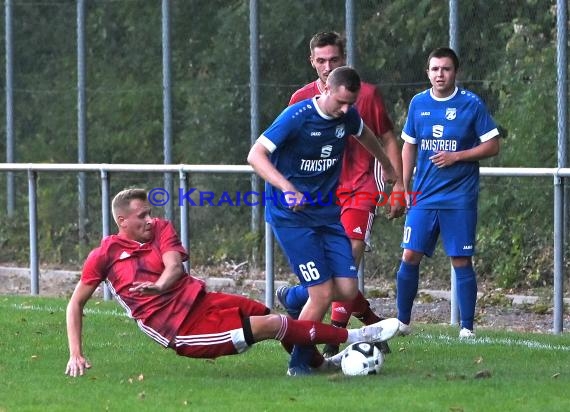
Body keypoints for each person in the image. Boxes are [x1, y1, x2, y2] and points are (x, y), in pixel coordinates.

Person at [64, 188, 399, 378]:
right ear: (122, 221)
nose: (150, 219)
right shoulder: (104, 255)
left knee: (267, 315)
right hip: (178, 328)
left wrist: (162, 285)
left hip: (202, 300)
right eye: (142, 216)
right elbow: (76, 303)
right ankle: (359, 335)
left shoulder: (161, 228)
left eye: (150, 212)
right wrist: (76, 354)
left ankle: (319, 366)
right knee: (275, 323)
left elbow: (173, 267)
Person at [247, 66, 399, 375]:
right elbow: (255, 155)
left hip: (326, 213)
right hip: (291, 216)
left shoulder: (348, 117)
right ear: (326, 90)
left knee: (345, 288)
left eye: (350, 104)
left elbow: (365, 134)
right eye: (340, 102)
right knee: (322, 294)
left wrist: (386, 165)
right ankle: (299, 365)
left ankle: (293, 296)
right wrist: (288, 188)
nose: (345, 109)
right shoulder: (297, 116)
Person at [284, 31, 405, 358]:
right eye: (320, 60)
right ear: (312, 61)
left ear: (344, 59)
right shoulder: (300, 100)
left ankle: (335, 339)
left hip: (360, 188)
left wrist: (399, 185)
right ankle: (365, 318)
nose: (327, 66)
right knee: (334, 277)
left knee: (347, 260)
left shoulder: (365, 95)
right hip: (321, 197)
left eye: (333, 60)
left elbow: (387, 137)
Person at [396, 47, 500, 339]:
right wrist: (404, 187)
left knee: (460, 260)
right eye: (435, 69)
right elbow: (408, 145)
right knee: (409, 255)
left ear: (456, 72)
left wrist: (458, 156)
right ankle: (402, 322)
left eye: (446, 69)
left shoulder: (471, 104)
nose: (440, 74)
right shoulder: (418, 103)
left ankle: (467, 327)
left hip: (459, 198)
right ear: (427, 72)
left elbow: (493, 145)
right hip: (424, 196)